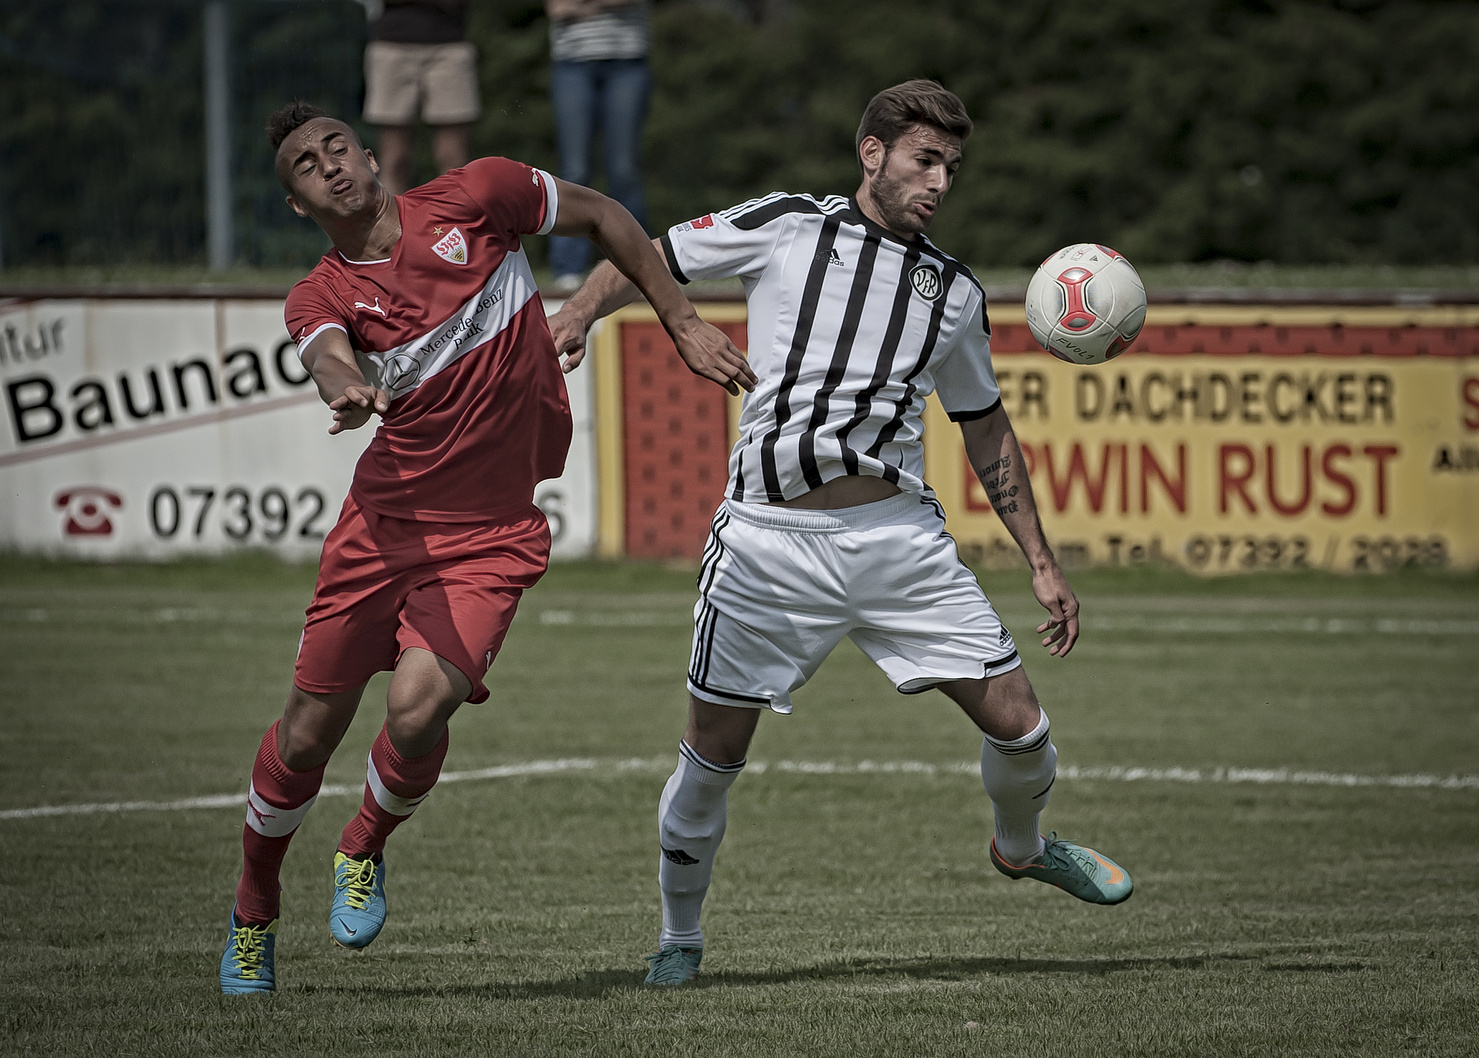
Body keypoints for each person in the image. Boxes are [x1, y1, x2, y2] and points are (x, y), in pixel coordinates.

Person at [549, 79, 1133, 988]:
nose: (937, 182)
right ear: (872, 154)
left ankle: (1020, 848)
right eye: (922, 160)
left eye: (949, 166)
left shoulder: (952, 294)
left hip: (897, 540)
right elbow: (647, 251)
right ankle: (678, 937)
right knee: (710, 761)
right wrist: (582, 312)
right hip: (766, 545)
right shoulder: (787, 224)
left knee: (1023, 729)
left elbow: (984, 427)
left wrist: (1042, 564)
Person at [218, 101, 753, 995]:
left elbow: (610, 219)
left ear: (369, 150)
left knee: (421, 709)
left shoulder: (477, 195)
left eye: (337, 146)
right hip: (383, 530)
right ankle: (253, 907)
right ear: (298, 206)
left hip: (492, 534)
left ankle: (363, 845)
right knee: (309, 734)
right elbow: (325, 354)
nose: (331, 166)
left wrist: (680, 323)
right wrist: (347, 388)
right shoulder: (319, 293)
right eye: (308, 167)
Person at [543, 0, 652, 291]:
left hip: (628, 62)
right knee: (574, 172)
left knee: (624, 170)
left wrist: (582, 5)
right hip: (571, 63)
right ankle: (568, 268)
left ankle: (640, 267)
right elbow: (557, 8)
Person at [363, 0, 479, 195]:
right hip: (391, 47)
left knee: (453, 158)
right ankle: (393, 224)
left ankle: (458, 222)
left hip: (449, 46)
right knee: (395, 158)